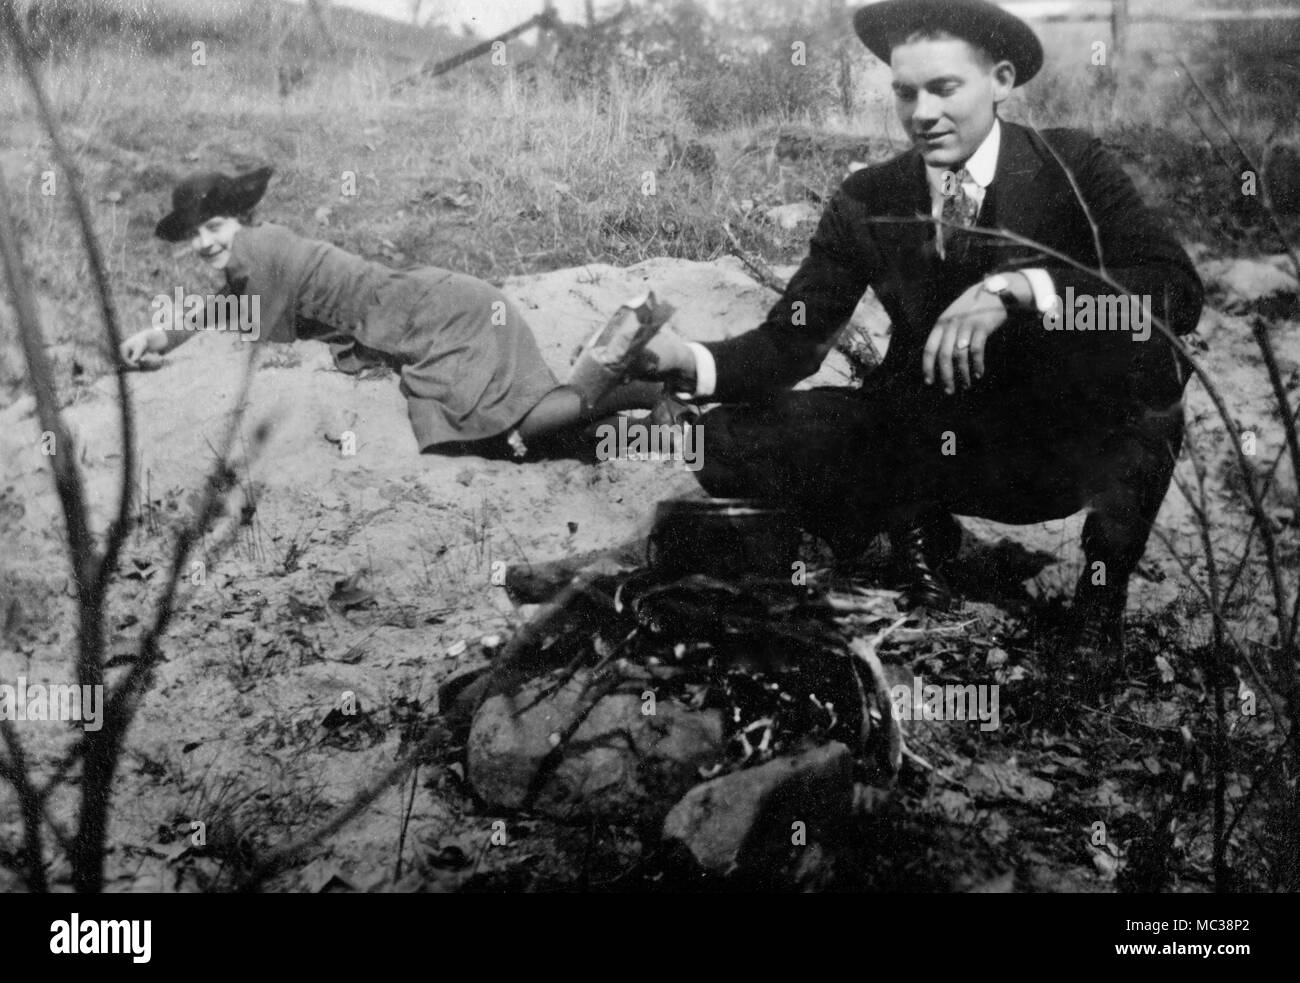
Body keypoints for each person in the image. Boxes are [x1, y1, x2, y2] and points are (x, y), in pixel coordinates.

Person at [633, 0, 1204, 688]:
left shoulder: (1070, 166)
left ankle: (1097, 607)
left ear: (1000, 78)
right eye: (905, 92)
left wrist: (1024, 288)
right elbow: (791, 343)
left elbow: (1174, 292)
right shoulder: (869, 197)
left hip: (1056, 448)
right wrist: (685, 359)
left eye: (944, 89)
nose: (921, 113)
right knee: (730, 440)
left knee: (1157, 389)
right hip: (922, 444)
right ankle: (908, 532)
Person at [121, 166, 671, 458]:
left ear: (241, 219)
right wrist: (164, 335)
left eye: (214, 227)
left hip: (441, 315)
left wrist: (171, 335)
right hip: (440, 302)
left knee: (511, 427)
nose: (204, 243)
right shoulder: (264, 248)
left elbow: (255, 328)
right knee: (520, 422)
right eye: (194, 235)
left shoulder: (255, 249)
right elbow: (231, 305)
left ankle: (636, 376)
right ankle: (647, 388)